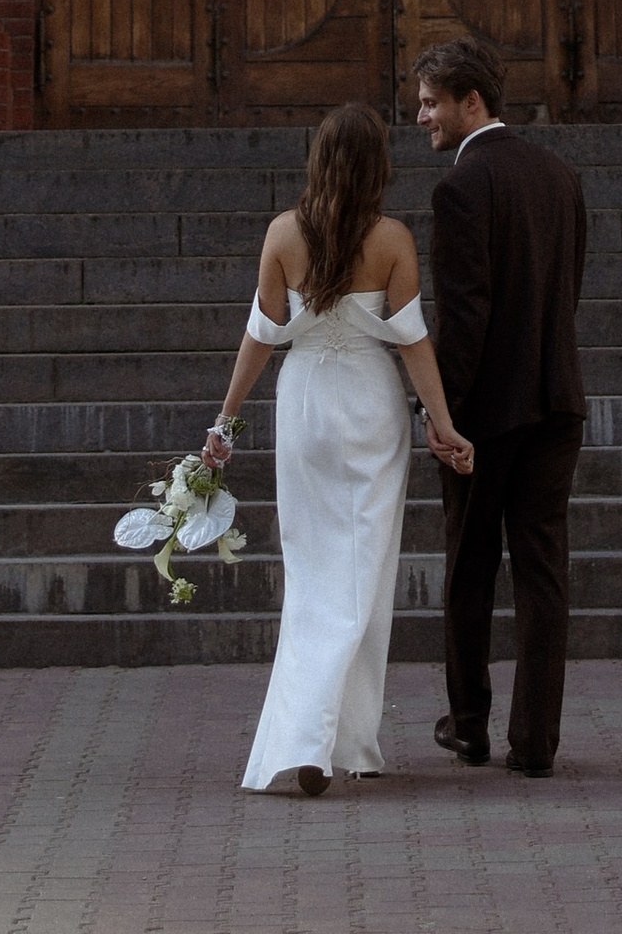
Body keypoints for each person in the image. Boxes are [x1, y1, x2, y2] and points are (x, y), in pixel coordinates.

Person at [203, 100, 474, 796]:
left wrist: (225, 425)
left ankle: (329, 739)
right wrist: (442, 426)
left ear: (318, 162)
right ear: (377, 167)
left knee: (312, 572)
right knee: (363, 575)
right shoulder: (391, 240)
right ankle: (333, 739)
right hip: (368, 411)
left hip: (304, 410)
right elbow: (412, 340)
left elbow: (261, 336)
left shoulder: (283, 234)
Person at [413, 33, 588, 778]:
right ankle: (537, 742)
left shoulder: (460, 188)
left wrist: (441, 415)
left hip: (485, 413)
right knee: (544, 571)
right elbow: (568, 288)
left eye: (430, 103)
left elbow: (464, 315)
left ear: (469, 100)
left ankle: (472, 724)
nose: (422, 116)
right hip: (556, 401)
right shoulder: (560, 175)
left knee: (471, 567)